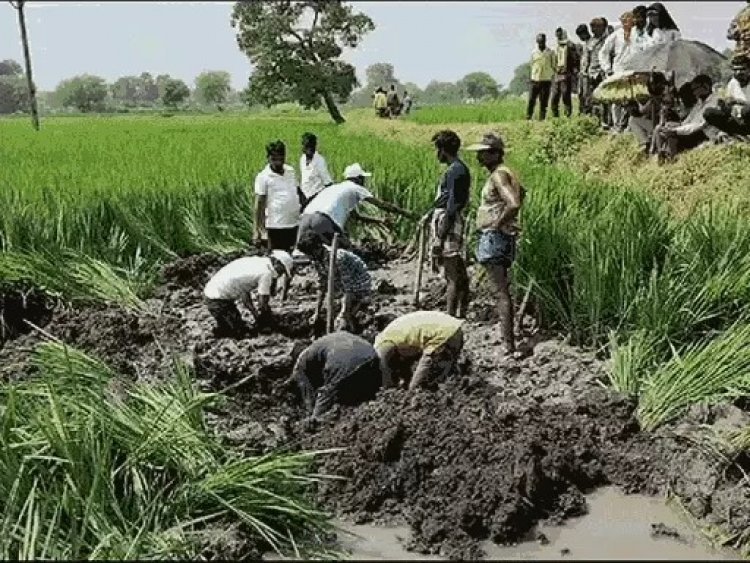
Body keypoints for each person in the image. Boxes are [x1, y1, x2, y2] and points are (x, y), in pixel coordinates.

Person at [465, 133, 524, 356]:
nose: (479, 157)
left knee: (500, 292)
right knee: (502, 290)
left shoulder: (498, 176)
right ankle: (507, 339)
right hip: (503, 237)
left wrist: (497, 224)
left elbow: (514, 203)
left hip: (495, 237)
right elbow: (522, 194)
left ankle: (508, 344)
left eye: (483, 152)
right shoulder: (507, 173)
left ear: (495, 153)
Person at [298, 163, 417, 251]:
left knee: (308, 253)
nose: (364, 181)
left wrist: (380, 221)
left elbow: (356, 216)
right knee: (346, 252)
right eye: (363, 178)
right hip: (323, 221)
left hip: (304, 220)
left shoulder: (334, 188)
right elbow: (382, 205)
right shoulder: (355, 188)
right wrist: (407, 214)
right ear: (358, 178)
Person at [423, 130, 471, 319]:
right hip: (447, 219)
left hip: (448, 222)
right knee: (457, 270)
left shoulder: (456, 171)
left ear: (443, 150)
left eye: (438, 149)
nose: (437, 154)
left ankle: (449, 316)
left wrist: (439, 237)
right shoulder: (456, 170)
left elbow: (451, 207)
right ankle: (461, 311)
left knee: (451, 275)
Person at [292, 331, 383, 420]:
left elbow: (308, 394)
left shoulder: (301, 364)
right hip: (372, 356)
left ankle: (314, 423)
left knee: (326, 396)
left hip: (346, 361)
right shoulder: (325, 342)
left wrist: (311, 412)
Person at [203, 251, 293, 337]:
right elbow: (262, 304)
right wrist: (265, 320)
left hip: (212, 293)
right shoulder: (266, 273)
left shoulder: (258, 261)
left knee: (239, 325)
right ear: (277, 262)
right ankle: (224, 328)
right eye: (282, 270)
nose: (281, 274)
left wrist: (255, 314)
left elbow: (245, 293)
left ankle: (224, 325)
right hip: (217, 300)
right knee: (241, 333)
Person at [296, 230, 372, 332]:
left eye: (311, 253)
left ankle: (355, 311)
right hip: (341, 284)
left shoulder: (337, 258)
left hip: (359, 283)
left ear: (319, 246)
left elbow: (348, 288)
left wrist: (344, 314)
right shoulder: (316, 259)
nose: (310, 257)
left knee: (342, 323)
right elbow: (321, 285)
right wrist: (316, 313)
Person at [375, 311, 465, 391]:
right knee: (443, 375)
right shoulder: (398, 335)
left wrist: (390, 390)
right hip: (455, 329)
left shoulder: (381, 344)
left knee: (414, 389)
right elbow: (406, 364)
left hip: (441, 335)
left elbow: (386, 373)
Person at [599, 10, 650, 131]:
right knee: (617, 99)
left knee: (634, 98)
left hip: (635, 71)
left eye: (629, 20)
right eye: (624, 20)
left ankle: (630, 125)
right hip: (618, 70)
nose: (626, 23)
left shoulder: (639, 34)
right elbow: (604, 52)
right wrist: (607, 68)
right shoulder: (616, 35)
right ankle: (617, 125)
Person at [652, 74, 722, 161]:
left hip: (704, 133)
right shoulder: (700, 101)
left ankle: (671, 159)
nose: (693, 92)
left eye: (695, 89)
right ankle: (661, 153)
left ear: (706, 86)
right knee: (664, 128)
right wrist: (676, 126)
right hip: (692, 130)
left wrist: (676, 130)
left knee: (672, 135)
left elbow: (699, 125)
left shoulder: (714, 102)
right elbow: (689, 119)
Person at [254, 140, 300, 266]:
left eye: (281, 157)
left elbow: (297, 192)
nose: (278, 162)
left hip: (294, 224)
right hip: (276, 227)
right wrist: (257, 230)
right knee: (278, 262)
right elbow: (259, 205)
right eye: (274, 158)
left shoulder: (290, 171)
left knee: (293, 260)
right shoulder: (263, 177)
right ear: (268, 158)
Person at [704, 56, 750, 140]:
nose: (738, 72)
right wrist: (724, 106)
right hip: (739, 121)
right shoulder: (732, 83)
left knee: (746, 110)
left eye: (742, 69)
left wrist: (738, 101)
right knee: (709, 113)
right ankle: (736, 134)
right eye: (735, 70)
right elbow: (729, 110)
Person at [299, 132, 333, 210]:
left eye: (312, 146)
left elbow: (327, 182)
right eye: (307, 146)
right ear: (303, 146)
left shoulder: (319, 161)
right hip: (304, 197)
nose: (309, 149)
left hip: (316, 198)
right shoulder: (302, 159)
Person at [583, 18, 609, 120]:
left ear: (602, 27)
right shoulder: (590, 42)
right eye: (592, 27)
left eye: (595, 27)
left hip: (603, 72)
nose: (593, 29)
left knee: (605, 97)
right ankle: (595, 119)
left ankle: (605, 120)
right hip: (592, 73)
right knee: (592, 97)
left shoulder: (608, 40)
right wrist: (585, 71)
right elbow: (586, 58)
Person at [551, 28, 580, 118]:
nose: (558, 37)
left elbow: (575, 59)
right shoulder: (555, 47)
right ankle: (555, 117)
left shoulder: (570, 46)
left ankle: (567, 116)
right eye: (557, 35)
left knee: (565, 96)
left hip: (566, 74)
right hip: (557, 75)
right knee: (555, 97)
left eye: (560, 35)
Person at [527, 33, 556, 120]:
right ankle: (528, 117)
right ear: (537, 42)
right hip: (535, 80)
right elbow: (531, 64)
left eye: (542, 41)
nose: (541, 43)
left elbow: (553, 65)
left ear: (545, 41)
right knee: (531, 100)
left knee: (544, 102)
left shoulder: (550, 52)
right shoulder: (533, 53)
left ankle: (541, 119)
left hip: (546, 80)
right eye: (539, 42)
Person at [575, 24, 592, 115]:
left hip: (588, 74)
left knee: (587, 95)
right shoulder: (584, 44)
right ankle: (581, 112)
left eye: (580, 36)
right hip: (582, 73)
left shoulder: (592, 43)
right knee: (580, 94)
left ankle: (587, 113)